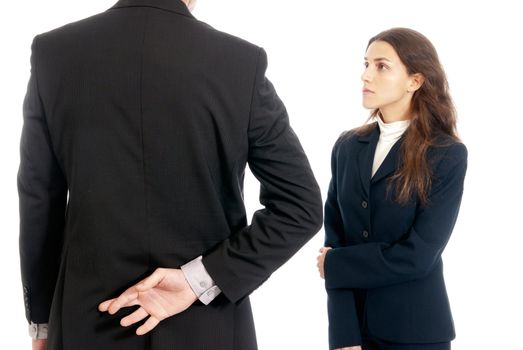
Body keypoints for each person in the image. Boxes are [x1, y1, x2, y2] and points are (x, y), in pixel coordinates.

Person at [18, 0, 323, 349]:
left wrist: (40, 324)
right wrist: (199, 280)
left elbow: (39, 200)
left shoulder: (54, 53)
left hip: (85, 324)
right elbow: (301, 207)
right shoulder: (240, 62)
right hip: (208, 328)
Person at [316, 28, 467, 350]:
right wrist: (343, 337)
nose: (366, 75)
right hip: (354, 333)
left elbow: (419, 256)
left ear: (415, 80)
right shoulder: (347, 146)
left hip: (417, 333)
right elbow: (335, 243)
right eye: (366, 63)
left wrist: (337, 264)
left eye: (381, 66)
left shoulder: (446, 153)